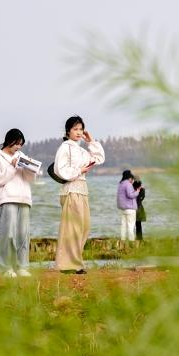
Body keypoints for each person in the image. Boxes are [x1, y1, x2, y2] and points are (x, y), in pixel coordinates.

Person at [53, 116, 105, 273]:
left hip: (82, 189)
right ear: (68, 131)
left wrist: (91, 142)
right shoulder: (65, 147)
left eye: (80, 129)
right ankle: (69, 265)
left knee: (84, 227)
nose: (78, 132)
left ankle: (74, 262)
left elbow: (99, 158)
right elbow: (59, 170)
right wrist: (78, 171)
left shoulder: (81, 150)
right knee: (72, 228)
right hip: (71, 188)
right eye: (75, 129)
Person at [0, 128, 35, 278]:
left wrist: (30, 167)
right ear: (9, 141)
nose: (18, 147)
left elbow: (30, 179)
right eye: (16, 144)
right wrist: (12, 166)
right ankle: (5, 267)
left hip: (24, 198)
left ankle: (22, 266)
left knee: (23, 233)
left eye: (21, 144)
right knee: (7, 234)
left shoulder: (21, 155)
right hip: (7, 199)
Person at [116, 170, 140, 243]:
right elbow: (130, 195)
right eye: (131, 178)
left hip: (122, 208)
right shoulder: (128, 184)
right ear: (129, 177)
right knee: (131, 225)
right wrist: (137, 191)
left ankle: (122, 240)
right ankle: (131, 241)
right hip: (130, 208)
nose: (132, 180)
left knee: (123, 225)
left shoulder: (120, 184)